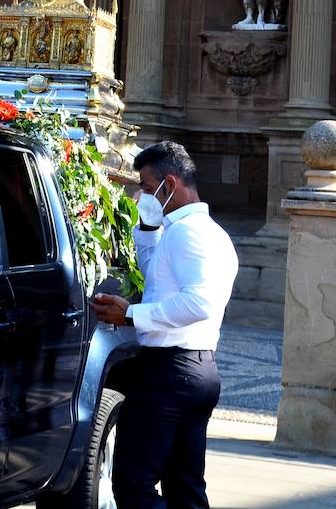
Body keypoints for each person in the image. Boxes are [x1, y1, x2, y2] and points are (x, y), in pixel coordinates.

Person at [90, 141, 239, 509]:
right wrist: (146, 225)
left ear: (168, 185)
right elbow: (158, 274)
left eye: (144, 186)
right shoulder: (202, 231)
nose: (141, 194)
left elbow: (199, 302)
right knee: (185, 489)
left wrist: (131, 314)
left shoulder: (190, 234)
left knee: (132, 485)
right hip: (195, 370)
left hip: (170, 374)